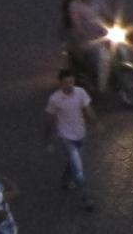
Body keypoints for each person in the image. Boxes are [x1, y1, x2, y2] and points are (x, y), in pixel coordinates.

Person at [45, 66, 97, 207]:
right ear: (61, 83)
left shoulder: (80, 92)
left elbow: (88, 109)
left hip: (81, 134)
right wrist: (48, 140)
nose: (70, 85)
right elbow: (49, 120)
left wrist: (96, 123)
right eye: (66, 82)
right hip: (66, 138)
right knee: (79, 170)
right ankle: (87, 198)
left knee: (72, 162)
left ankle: (65, 180)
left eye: (71, 82)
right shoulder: (54, 99)